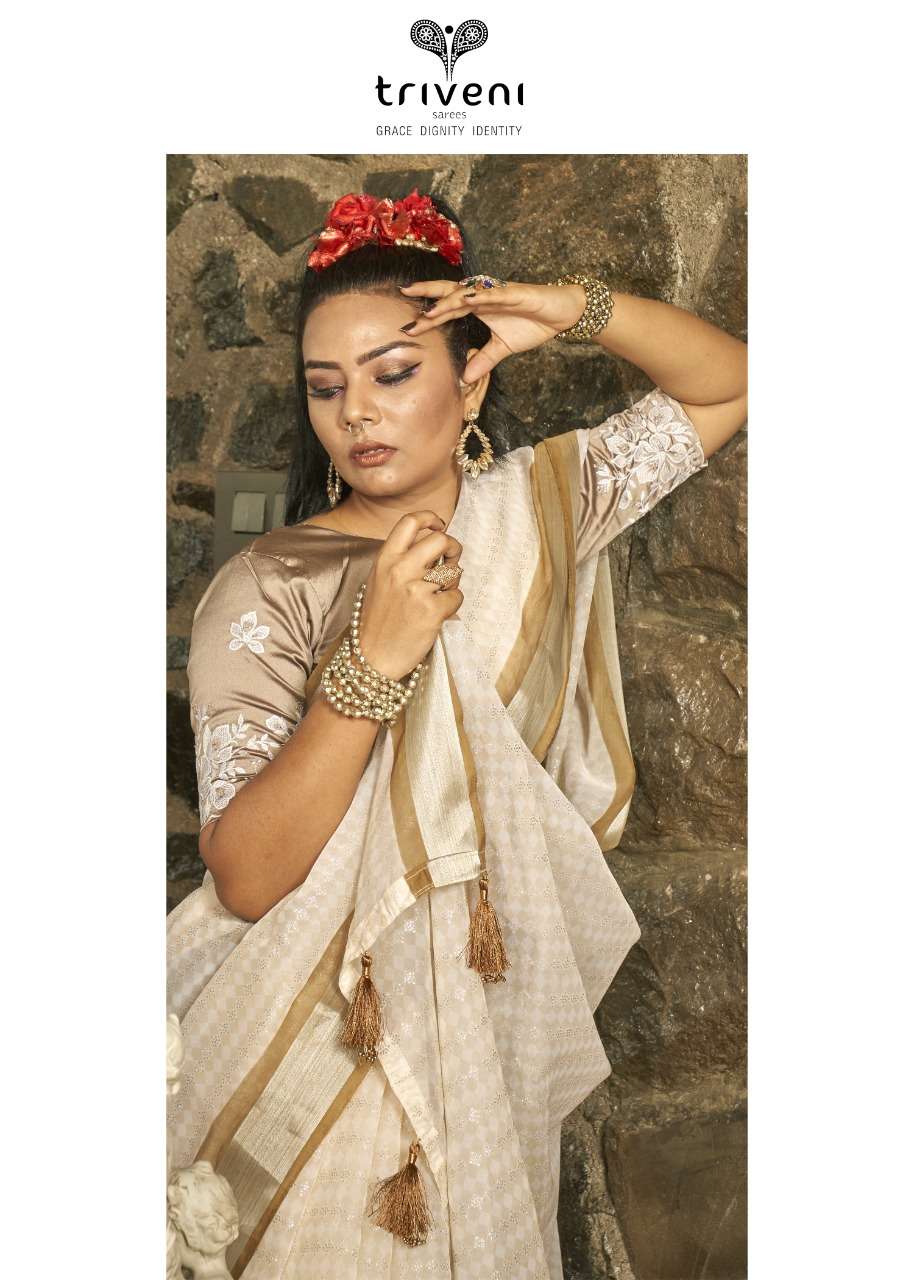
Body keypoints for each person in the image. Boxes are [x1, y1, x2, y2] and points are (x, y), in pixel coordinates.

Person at [166, 188, 747, 1278]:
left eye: (392, 372)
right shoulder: (270, 582)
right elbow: (245, 873)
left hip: (485, 1024)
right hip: (307, 1033)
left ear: (467, 379)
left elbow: (727, 379)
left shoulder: (543, 506)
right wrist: (373, 662)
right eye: (325, 387)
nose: (356, 413)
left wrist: (569, 310)